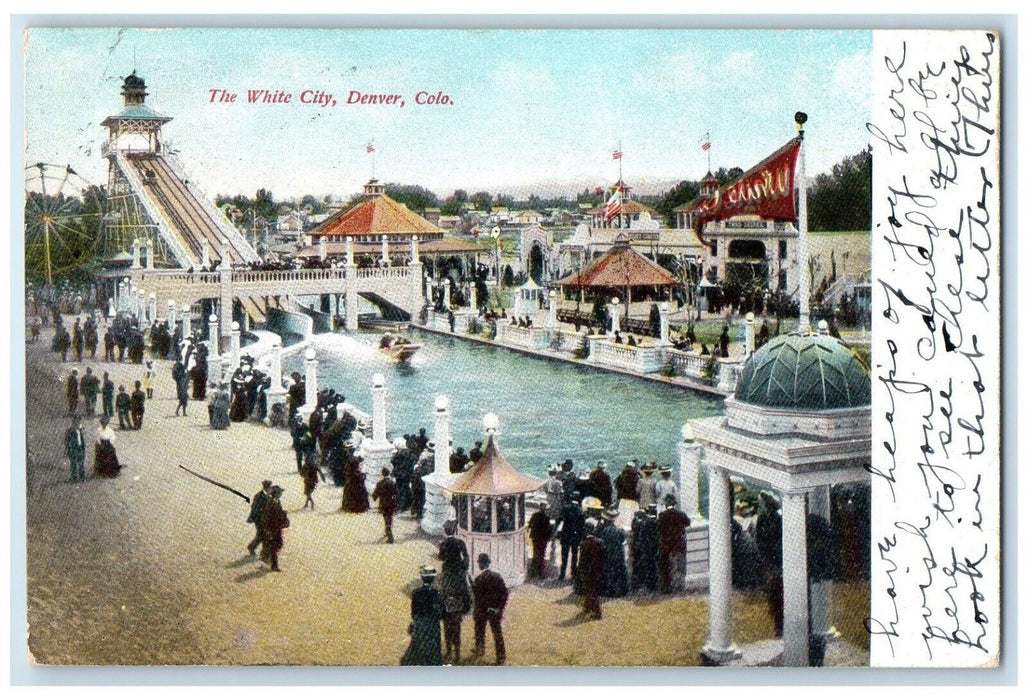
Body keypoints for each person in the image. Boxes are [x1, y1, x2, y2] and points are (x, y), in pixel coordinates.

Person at [438, 522, 472, 664]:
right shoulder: (460, 542)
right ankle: (457, 652)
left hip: (448, 575)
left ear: (446, 531)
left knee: (447, 622)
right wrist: (463, 567)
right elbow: (467, 557)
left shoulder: (444, 544)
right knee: (457, 624)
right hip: (458, 575)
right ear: (455, 530)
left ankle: (448, 651)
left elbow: (440, 558)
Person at [400, 566, 445, 666]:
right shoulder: (436, 593)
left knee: (419, 647)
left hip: (420, 624)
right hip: (433, 625)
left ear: (422, 578)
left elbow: (413, 612)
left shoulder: (416, 593)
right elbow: (441, 612)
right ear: (433, 579)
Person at [471, 553, 508, 665]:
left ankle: (480, 649)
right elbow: (505, 593)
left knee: (479, 630)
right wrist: (499, 608)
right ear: (489, 563)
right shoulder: (497, 576)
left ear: (480, 565)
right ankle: (501, 656)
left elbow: (476, 597)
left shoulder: (478, 579)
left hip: (482, 610)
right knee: (497, 633)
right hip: (495, 610)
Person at [657, 495, 691, 593]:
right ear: (674, 503)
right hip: (678, 543)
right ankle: (679, 586)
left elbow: (659, 529)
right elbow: (688, 523)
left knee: (666, 566)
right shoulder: (680, 514)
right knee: (679, 565)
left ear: (666, 504)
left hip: (666, 544)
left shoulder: (662, 515)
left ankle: (667, 587)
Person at [577, 519, 605, 619]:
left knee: (591, 591)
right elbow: (603, 558)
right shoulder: (600, 542)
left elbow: (582, 561)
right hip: (597, 570)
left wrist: (580, 571)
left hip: (588, 571)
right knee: (592, 590)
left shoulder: (584, 544)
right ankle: (587, 607)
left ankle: (597, 612)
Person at [599, 509, 629, 597]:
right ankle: (619, 590)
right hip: (618, 554)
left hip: (608, 553)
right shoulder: (619, 530)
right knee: (618, 572)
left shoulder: (604, 531)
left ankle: (609, 590)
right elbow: (623, 540)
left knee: (609, 571)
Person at [630, 503, 659, 591]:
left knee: (640, 566)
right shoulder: (650, 522)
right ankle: (650, 584)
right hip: (648, 547)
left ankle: (640, 584)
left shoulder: (639, 523)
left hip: (641, 547)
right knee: (650, 566)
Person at [557, 493, 585, 582]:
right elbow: (582, 526)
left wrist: (556, 532)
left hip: (566, 535)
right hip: (575, 537)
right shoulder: (580, 511)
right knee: (574, 556)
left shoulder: (565, 509)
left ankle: (562, 574)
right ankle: (573, 574)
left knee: (564, 556)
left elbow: (559, 520)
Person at [260, 485, 289, 572]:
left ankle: (267, 558)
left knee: (277, 544)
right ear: (276, 494)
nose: (281, 494)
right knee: (275, 545)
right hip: (272, 527)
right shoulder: (271, 503)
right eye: (279, 493)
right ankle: (274, 565)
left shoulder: (276, 501)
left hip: (276, 526)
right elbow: (268, 516)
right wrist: (267, 529)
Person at [371, 467, 399, 543]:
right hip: (392, 503)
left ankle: (390, 536)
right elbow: (397, 493)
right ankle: (388, 531)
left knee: (386, 518)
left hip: (384, 503)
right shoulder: (392, 482)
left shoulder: (380, 483)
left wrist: (374, 497)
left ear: (382, 474)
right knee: (390, 518)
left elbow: (375, 494)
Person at [246, 480, 273, 556]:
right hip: (259, 518)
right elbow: (255, 507)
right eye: (270, 487)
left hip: (264, 518)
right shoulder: (259, 496)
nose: (271, 488)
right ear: (267, 487)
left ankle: (253, 547)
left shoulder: (267, 495)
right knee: (262, 535)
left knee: (262, 534)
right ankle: (252, 547)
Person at [527, 507, 553, 580]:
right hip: (542, 538)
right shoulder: (546, 517)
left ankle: (533, 573)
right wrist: (549, 537)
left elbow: (530, 525)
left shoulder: (535, 515)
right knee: (541, 555)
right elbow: (548, 529)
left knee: (535, 554)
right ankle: (541, 573)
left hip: (535, 538)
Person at [64, 416, 87, 483]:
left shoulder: (80, 430)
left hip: (80, 448)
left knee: (81, 463)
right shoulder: (69, 431)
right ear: (73, 422)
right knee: (73, 464)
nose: (77, 423)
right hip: (73, 449)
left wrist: (84, 447)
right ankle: (74, 478)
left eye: (78, 422)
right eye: (76, 422)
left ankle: (82, 477)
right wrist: (68, 450)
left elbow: (83, 440)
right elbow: (67, 441)